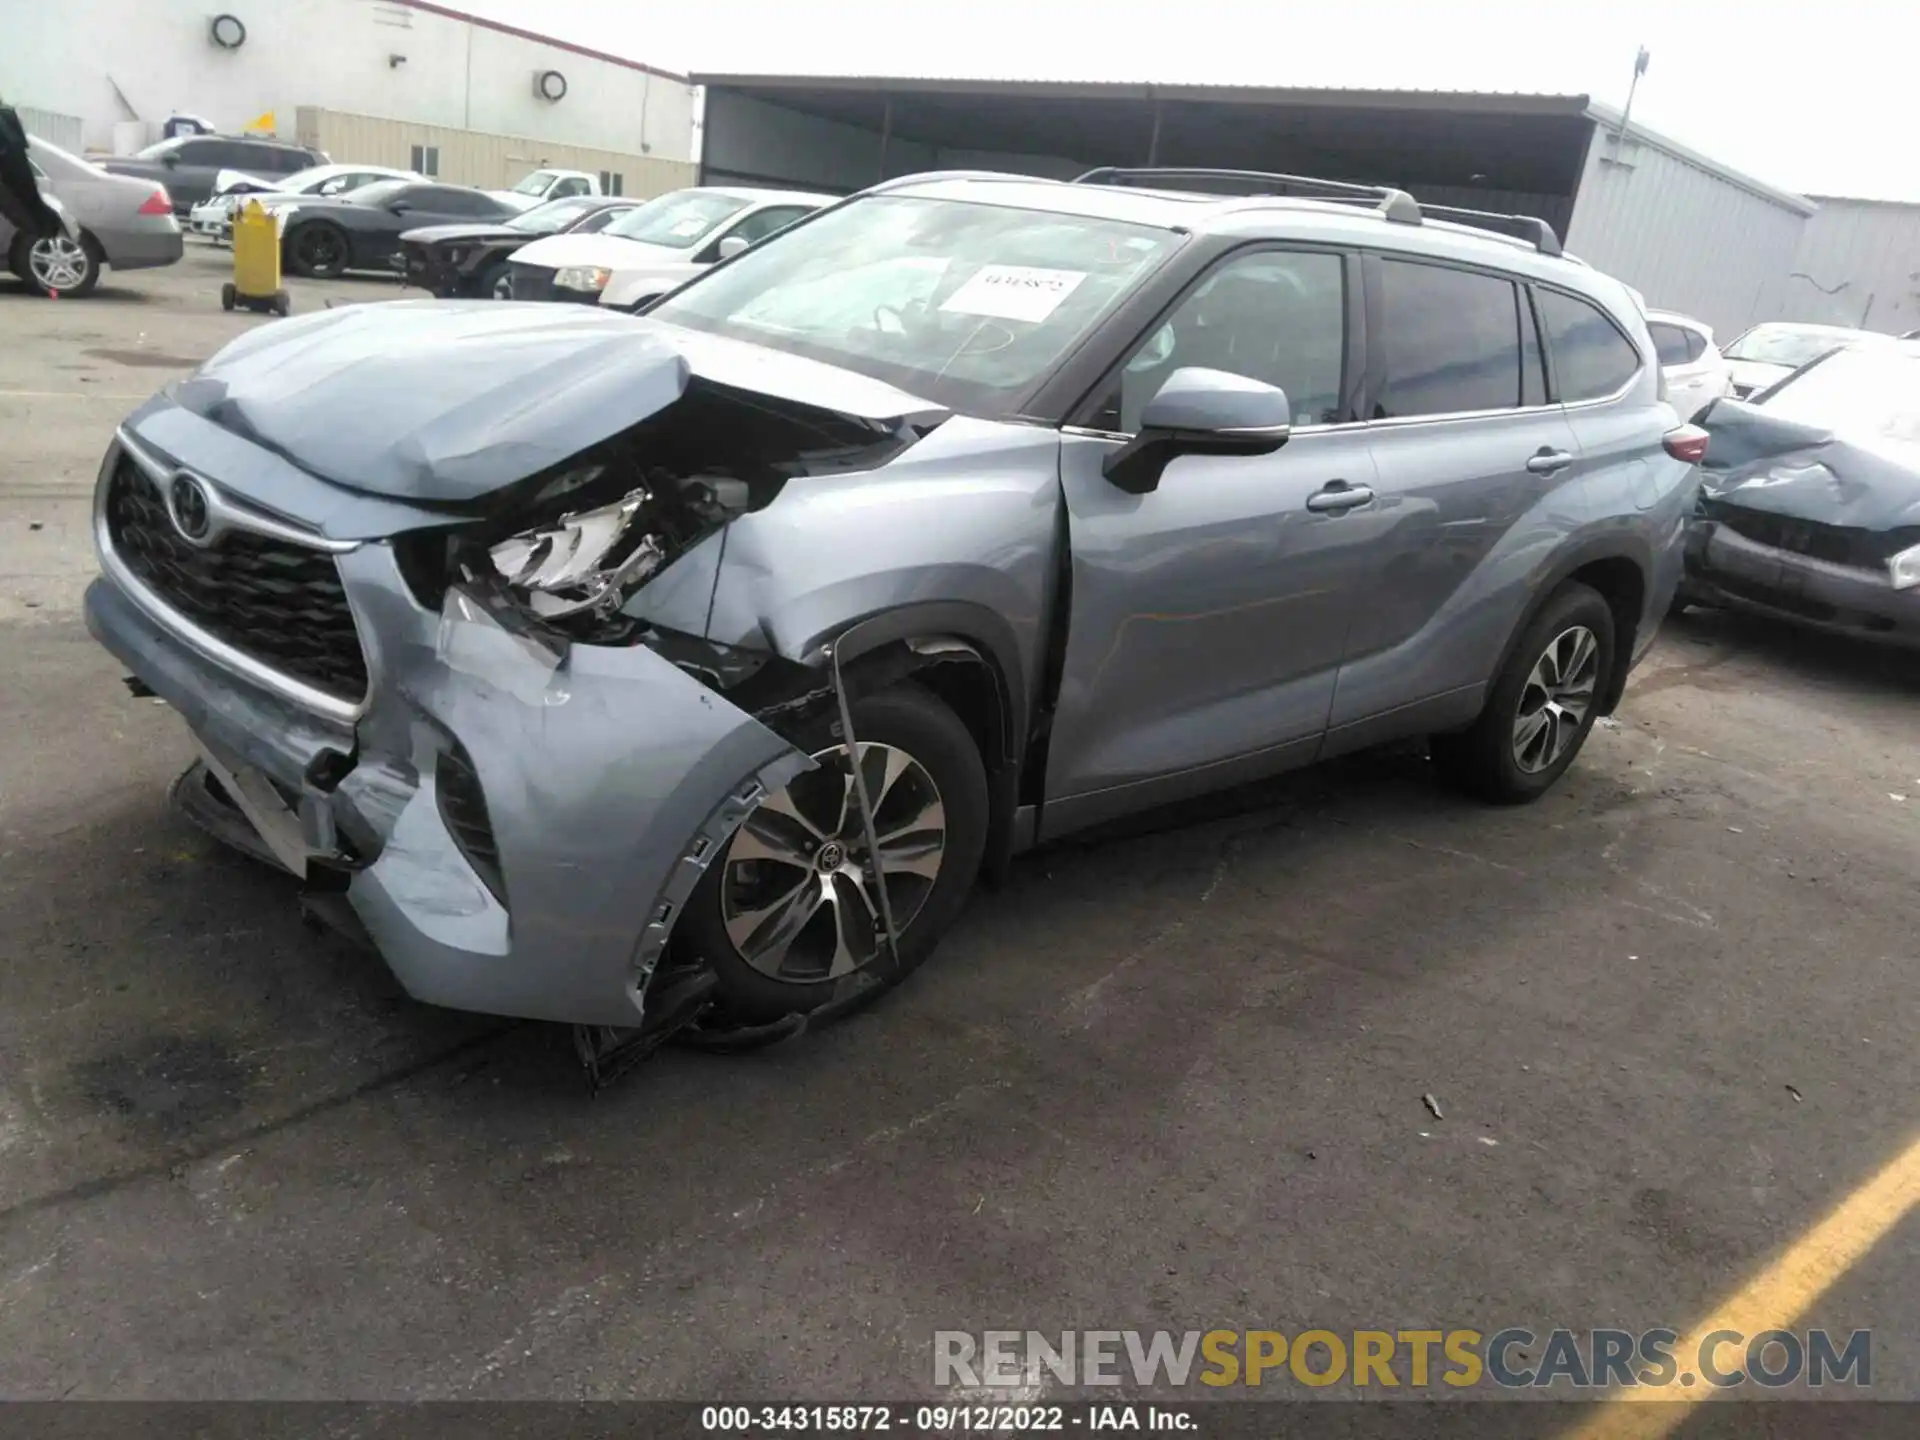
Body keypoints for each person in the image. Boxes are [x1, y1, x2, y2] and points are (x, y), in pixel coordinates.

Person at [0, 100, 66, 243]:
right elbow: (21, 143)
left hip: (11, 162)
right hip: (15, 161)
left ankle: (44, 230)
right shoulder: (7, 112)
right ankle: (46, 229)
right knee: (27, 197)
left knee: (23, 201)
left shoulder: (6, 114)